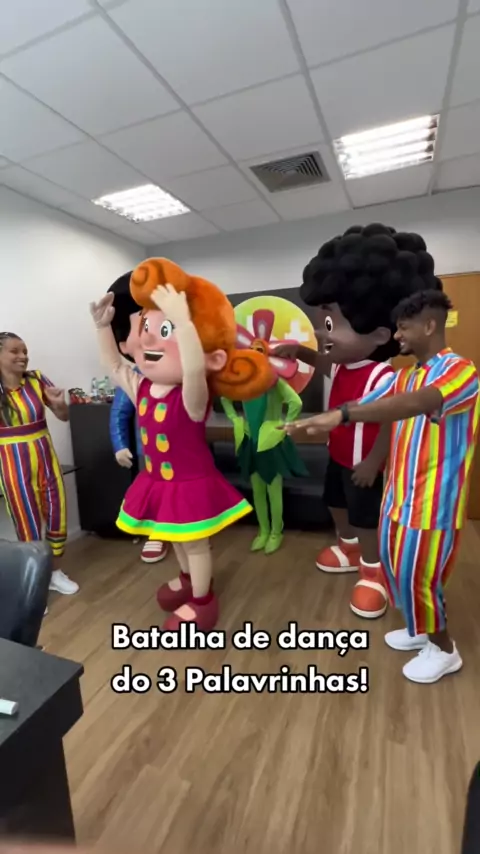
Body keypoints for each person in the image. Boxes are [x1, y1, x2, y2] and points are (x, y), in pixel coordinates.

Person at [285, 290, 480, 683]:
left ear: (429, 325)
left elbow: (414, 404)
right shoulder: (406, 375)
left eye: (404, 327)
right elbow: (374, 401)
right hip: (397, 497)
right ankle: (420, 630)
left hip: (433, 505)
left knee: (419, 577)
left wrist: (341, 415)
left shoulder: (461, 371)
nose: (398, 335)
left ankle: (444, 650)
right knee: (396, 570)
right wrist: (325, 419)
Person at [90, 258, 274, 631]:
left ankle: (203, 601)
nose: (148, 340)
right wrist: (102, 327)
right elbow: (114, 366)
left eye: (164, 330)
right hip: (159, 482)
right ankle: (190, 581)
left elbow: (192, 369)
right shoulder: (142, 386)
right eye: (146, 328)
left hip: (190, 483)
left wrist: (184, 323)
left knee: (194, 544)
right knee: (173, 536)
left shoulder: (192, 396)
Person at [274, 223, 442, 620]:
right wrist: (300, 351)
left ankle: (373, 569)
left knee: (366, 517)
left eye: (330, 325)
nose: (322, 333)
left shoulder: (383, 376)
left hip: (365, 463)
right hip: (337, 454)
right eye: (322, 322)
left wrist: (372, 462)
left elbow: (390, 422)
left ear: (380, 334)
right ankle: (348, 547)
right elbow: (323, 362)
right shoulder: (342, 363)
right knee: (335, 502)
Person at [0, 332, 79, 610]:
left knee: (57, 518)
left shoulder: (36, 379)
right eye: (15, 351)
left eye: (25, 350)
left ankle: (54, 574)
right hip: (13, 466)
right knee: (28, 525)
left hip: (47, 460)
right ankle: (34, 586)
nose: (23, 356)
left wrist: (59, 405)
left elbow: (63, 416)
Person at [108, 272, 168, 563]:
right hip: (150, 451)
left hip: (183, 448)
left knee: (184, 493)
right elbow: (120, 413)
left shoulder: (182, 370)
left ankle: (190, 530)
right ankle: (157, 532)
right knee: (155, 490)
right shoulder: (135, 376)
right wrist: (120, 445)